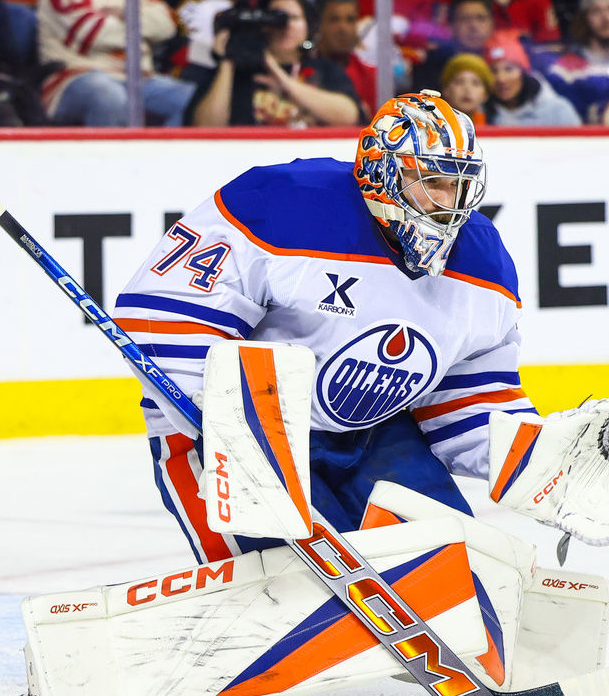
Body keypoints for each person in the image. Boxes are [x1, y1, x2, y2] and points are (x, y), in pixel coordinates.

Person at [113, 91, 536, 563]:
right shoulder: (284, 204)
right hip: (237, 427)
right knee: (281, 587)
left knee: (452, 565)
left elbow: (471, 399)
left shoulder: (483, 262)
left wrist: (547, 468)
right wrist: (229, 422)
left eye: (460, 186)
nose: (448, 204)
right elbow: (168, 313)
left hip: (375, 433)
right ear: (384, 173)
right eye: (433, 182)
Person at [189, 0, 363, 127]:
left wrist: (280, 76)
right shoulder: (240, 72)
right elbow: (205, 127)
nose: (285, 26)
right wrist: (227, 60)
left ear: (308, 27)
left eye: (293, 18)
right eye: (277, 18)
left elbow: (349, 117)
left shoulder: (325, 69)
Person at [38, 0, 196, 127]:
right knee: (109, 95)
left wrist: (126, 12)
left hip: (137, 78)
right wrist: (139, 21)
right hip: (75, 76)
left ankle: (160, 163)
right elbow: (92, 33)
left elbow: (167, 25)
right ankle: (112, 163)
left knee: (189, 98)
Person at [484, 29, 581, 125]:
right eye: (493, 71)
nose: (501, 78)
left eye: (509, 69)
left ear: (524, 72)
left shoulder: (558, 111)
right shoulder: (481, 113)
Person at [411, 0, 496, 91]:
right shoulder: (429, 66)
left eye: (481, 18)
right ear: (450, 26)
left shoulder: (500, 65)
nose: (474, 26)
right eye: (464, 19)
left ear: (492, 24)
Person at [314, 0, 377, 114]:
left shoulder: (371, 78)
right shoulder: (301, 72)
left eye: (350, 20)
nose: (343, 28)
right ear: (317, 24)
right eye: (334, 19)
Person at [441, 51, 493, 121]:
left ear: (486, 94)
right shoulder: (431, 125)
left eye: (475, 83)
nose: (467, 89)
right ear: (446, 90)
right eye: (459, 82)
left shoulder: (497, 123)